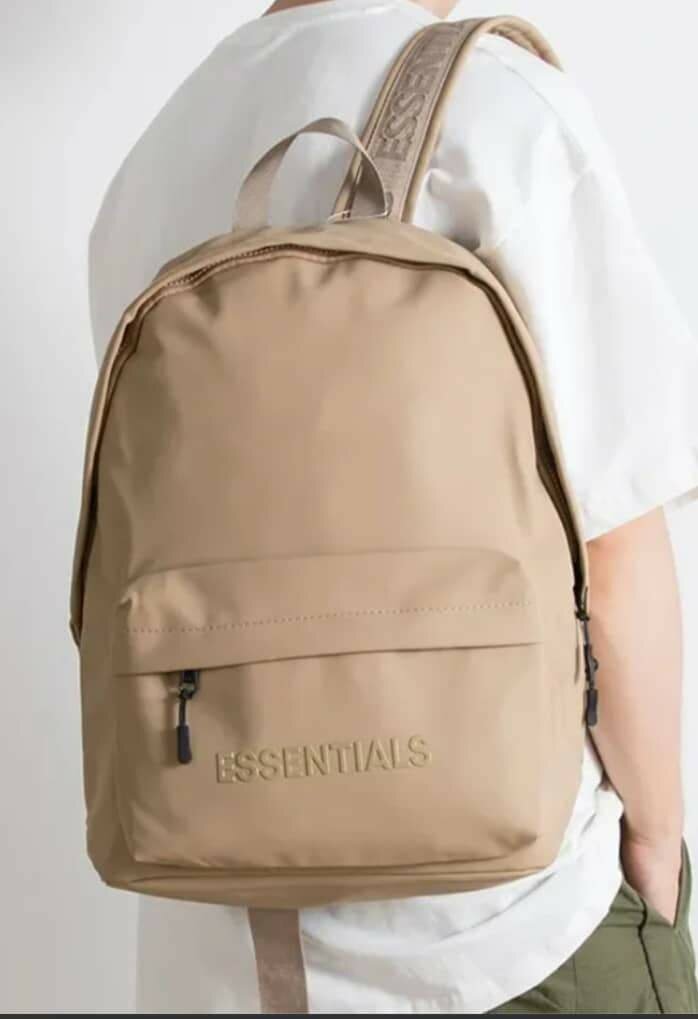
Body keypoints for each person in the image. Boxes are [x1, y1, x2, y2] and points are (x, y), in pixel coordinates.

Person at [89, 0, 698, 1012]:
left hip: (221, 953)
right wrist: (659, 844)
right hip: (503, 935)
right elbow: (615, 544)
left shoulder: (158, 153)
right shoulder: (498, 108)